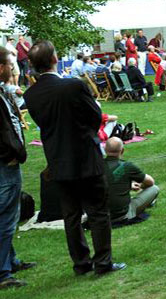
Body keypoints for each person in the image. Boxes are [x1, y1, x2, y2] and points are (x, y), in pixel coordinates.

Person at [23, 42, 126, 275]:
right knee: (98, 212)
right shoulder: (73, 86)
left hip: (58, 159)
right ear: (54, 59)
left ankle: (81, 263)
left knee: (71, 215)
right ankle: (103, 263)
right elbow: (95, 116)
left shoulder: (32, 95)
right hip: (84, 155)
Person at [0, 47, 33, 289]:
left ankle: (10, 261)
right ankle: (3, 272)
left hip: (8, 162)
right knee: (5, 218)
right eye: (10, 66)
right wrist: (12, 154)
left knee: (9, 215)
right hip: (5, 164)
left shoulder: (3, 91)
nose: (13, 70)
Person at [103, 137, 160, 226]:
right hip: (122, 214)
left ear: (105, 149)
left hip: (100, 214)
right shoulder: (126, 166)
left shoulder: (96, 167)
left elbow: (110, 181)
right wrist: (141, 186)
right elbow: (150, 182)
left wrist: (129, 185)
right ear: (122, 151)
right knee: (154, 188)